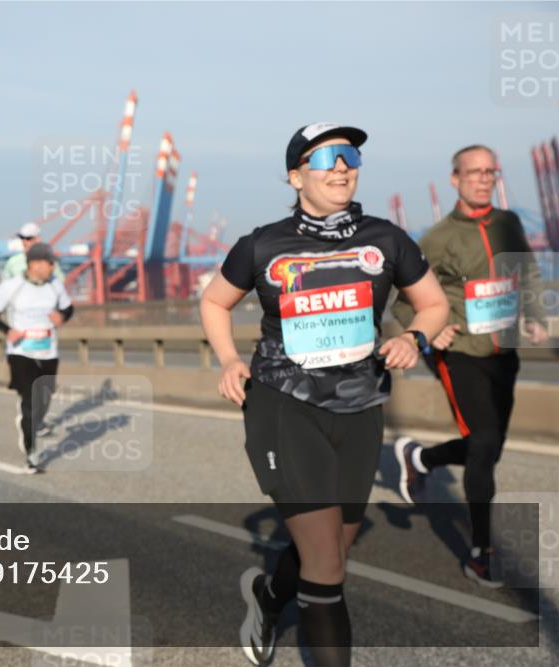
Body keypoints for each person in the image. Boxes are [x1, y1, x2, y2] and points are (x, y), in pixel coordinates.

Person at [200, 123, 448, 667]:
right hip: (283, 404)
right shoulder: (262, 244)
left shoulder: (386, 239)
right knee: (328, 568)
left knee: (333, 548)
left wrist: (413, 337)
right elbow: (215, 301)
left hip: (361, 406)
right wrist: (229, 359)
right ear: (295, 177)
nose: (341, 166)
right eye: (326, 157)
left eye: (350, 156)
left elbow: (433, 304)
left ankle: (268, 597)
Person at [391, 144, 549, 588]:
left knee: (489, 448)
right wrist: (431, 329)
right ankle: (481, 552)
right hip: (458, 352)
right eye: (474, 172)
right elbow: (402, 299)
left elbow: (527, 272)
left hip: (504, 351)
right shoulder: (437, 239)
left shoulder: (509, 223)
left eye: (490, 171)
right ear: (455, 179)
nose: (483, 179)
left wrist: (535, 315)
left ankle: (421, 458)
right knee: (483, 443)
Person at [0, 242, 73, 473]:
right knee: (29, 401)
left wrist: (62, 317)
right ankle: (31, 454)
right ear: (34, 264)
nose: (53, 267)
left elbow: (68, 308)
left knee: (44, 398)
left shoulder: (55, 285)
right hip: (20, 352)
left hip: (48, 351)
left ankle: (32, 422)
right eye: (49, 263)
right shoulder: (12, 287)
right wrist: (7, 330)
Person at [1, 222, 67, 282]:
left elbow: (60, 282)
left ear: (38, 239)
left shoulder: (49, 262)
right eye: (22, 238)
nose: (24, 242)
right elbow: (5, 284)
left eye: (28, 238)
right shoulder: (12, 262)